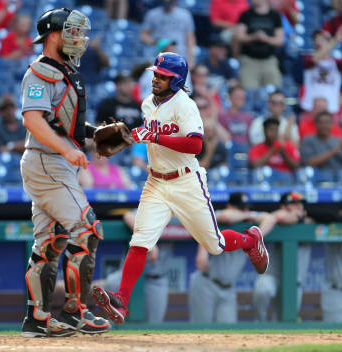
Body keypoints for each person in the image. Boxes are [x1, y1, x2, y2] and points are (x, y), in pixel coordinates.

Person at [91, 52, 269, 325]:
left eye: (163, 76)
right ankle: (122, 302)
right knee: (140, 241)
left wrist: (154, 136)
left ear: (176, 81)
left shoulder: (185, 105)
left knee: (215, 244)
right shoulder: (148, 104)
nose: (156, 79)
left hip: (186, 181)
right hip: (155, 182)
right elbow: (151, 134)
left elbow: (196, 145)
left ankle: (250, 241)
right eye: (156, 74)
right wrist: (134, 136)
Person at [19, 8, 111, 337]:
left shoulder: (63, 69)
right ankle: (75, 312)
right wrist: (67, 150)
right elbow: (33, 120)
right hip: (48, 160)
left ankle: (37, 319)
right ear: (54, 35)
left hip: (49, 160)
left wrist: (93, 133)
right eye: (71, 31)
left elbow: (61, 122)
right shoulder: (41, 70)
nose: (79, 38)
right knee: (87, 230)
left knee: (50, 242)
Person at [189, 192, 276, 323]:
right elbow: (226, 217)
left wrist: (255, 238)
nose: (245, 211)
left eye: (246, 208)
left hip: (228, 289)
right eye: (241, 208)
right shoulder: (217, 215)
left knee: (228, 332)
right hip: (206, 283)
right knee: (200, 330)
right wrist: (248, 215)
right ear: (230, 206)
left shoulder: (248, 227)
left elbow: (270, 218)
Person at [104, 210, 173, 324]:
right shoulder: (152, 205)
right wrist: (149, 241)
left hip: (156, 280)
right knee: (113, 283)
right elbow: (128, 216)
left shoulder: (179, 212)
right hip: (127, 277)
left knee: (154, 328)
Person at [253, 191, 312, 321]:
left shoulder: (309, 221)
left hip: (294, 282)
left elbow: (311, 219)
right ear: (283, 207)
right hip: (272, 277)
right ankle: (259, 322)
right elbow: (276, 217)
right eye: (294, 204)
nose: (299, 207)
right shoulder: (274, 219)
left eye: (300, 204)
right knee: (263, 288)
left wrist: (299, 218)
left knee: (285, 321)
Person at [300, 29, 342, 115]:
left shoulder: (336, 63)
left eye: (322, 39)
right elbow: (315, 59)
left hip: (331, 109)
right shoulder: (307, 58)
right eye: (316, 39)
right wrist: (334, 42)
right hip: (310, 108)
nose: (318, 41)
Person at [234, 0, 284, 89]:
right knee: (249, 92)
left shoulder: (275, 15)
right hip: (249, 61)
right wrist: (254, 37)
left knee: (274, 90)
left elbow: (279, 40)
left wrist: (265, 39)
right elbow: (239, 36)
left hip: (269, 60)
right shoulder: (246, 14)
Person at [140, 0, 196, 66]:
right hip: (158, 53)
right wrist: (153, 42)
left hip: (179, 54)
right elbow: (143, 35)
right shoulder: (152, 14)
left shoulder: (185, 15)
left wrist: (191, 59)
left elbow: (190, 38)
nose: (168, 5)